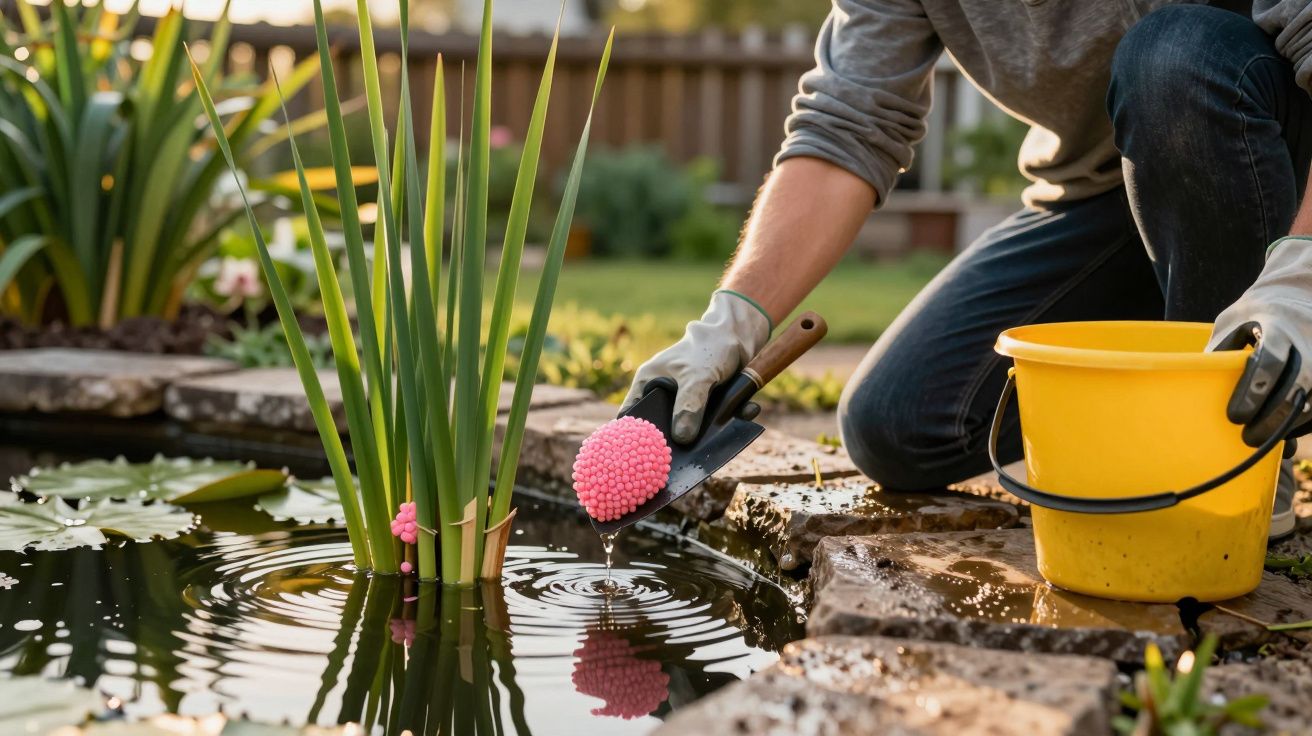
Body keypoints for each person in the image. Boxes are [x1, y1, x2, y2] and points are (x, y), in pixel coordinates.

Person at [621, 0, 1312, 540]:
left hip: (1275, 168)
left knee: (1174, 58)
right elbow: (848, 123)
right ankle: (1169, 360)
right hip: (1106, 196)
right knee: (897, 424)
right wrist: (731, 322)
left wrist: (1301, 276)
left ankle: (1236, 466)